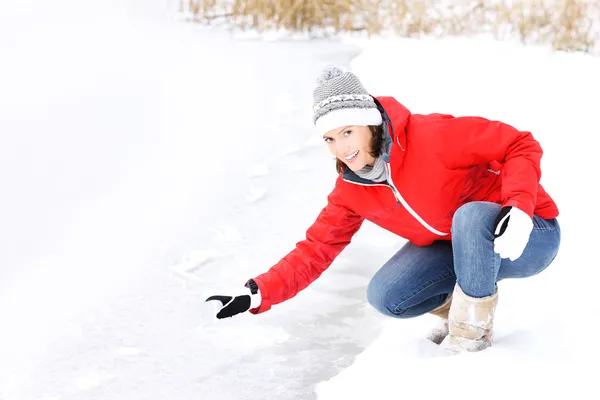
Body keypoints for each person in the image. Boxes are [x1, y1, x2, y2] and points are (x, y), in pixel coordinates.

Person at [206, 65, 560, 353]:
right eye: (329, 139)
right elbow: (317, 248)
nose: (341, 149)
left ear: (369, 123)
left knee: (468, 217)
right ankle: (463, 310)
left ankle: (471, 339)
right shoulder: (352, 189)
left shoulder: (432, 136)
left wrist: (519, 207)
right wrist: (259, 290)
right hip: (457, 245)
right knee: (387, 296)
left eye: (347, 132)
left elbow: (519, 143)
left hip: (527, 235)